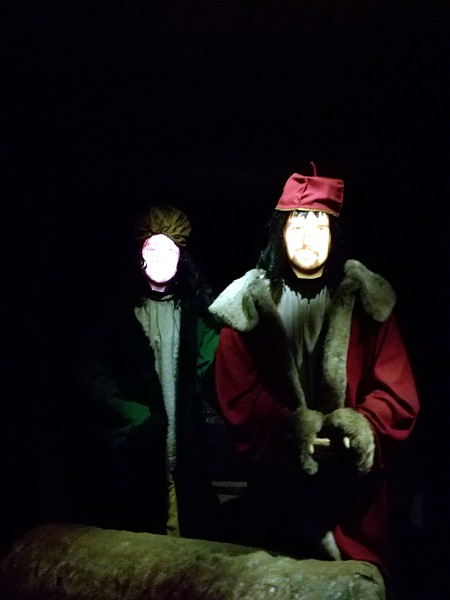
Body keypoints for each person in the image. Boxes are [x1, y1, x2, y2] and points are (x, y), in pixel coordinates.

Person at [208, 165, 420, 590]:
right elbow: (238, 395)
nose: (308, 237)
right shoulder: (248, 305)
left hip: (353, 502)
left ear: (334, 235)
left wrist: (360, 427)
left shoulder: (368, 302)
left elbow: (397, 393)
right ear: (280, 234)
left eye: (319, 226)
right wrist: (289, 431)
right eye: (297, 225)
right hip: (277, 493)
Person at [70, 204, 221, 540]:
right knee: (137, 528)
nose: (161, 258)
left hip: (185, 444)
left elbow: (214, 369)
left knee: (186, 527)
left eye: (170, 250)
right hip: (133, 445)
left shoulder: (198, 312)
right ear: (138, 254)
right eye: (152, 249)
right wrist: (136, 418)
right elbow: (93, 374)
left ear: (182, 257)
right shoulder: (115, 313)